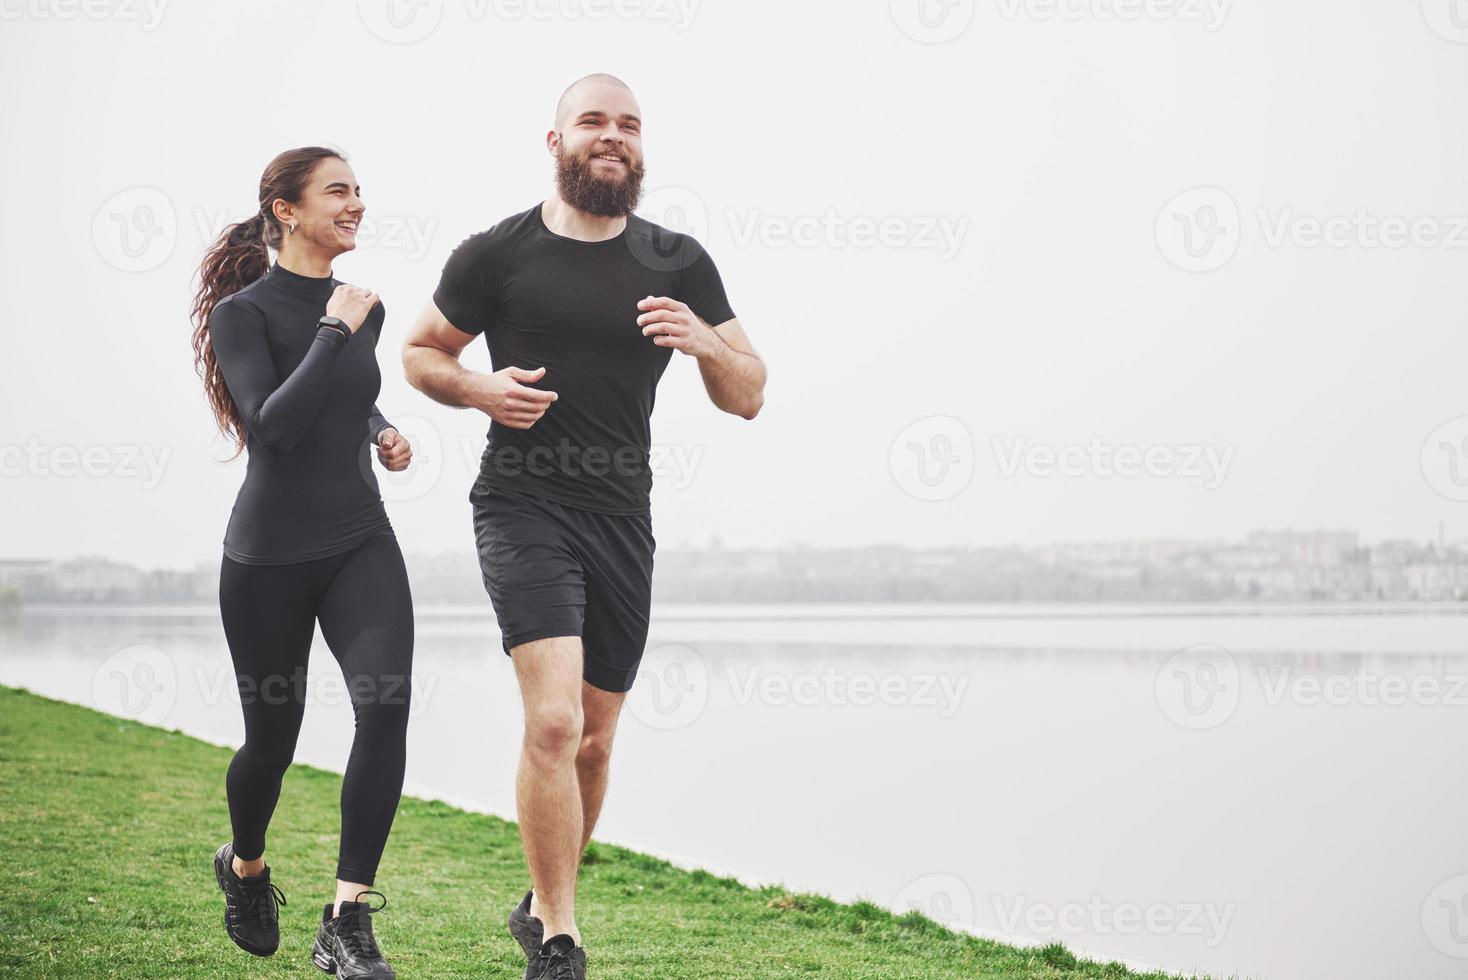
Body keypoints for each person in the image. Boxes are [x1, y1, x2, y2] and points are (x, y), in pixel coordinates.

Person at [401, 74, 766, 980]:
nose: (615, 136)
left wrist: (706, 342)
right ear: (556, 140)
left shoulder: (677, 258)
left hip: (622, 519)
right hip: (522, 504)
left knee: (596, 740)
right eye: (595, 122)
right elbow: (419, 353)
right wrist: (479, 388)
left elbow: (749, 394)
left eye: (630, 125)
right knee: (556, 723)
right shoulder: (496, 254)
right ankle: (561, 935)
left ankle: (537, 901)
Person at [190, 145, 414, 980]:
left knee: (385, 709)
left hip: (360, 539)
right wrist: (334, 328)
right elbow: (273, 425)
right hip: (268, 559)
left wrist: (379, 430)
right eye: (338, 191)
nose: (357, 203)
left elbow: (342, 393)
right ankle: (245, 866)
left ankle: (346, 920)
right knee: (271, 744)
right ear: (286, 209)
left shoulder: (363, 307)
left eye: (360, 189)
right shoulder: (243, 315)